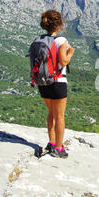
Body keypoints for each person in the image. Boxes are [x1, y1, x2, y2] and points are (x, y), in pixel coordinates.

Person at [38, 10, 75, 158]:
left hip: (42, 82)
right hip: (57, 82)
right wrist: (71, 52)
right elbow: (63, 61)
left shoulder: (38, 39)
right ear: (59, 25)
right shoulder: (61, 40)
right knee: (59, 116)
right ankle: (59, 149)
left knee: (51, 113)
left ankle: (51, 142)